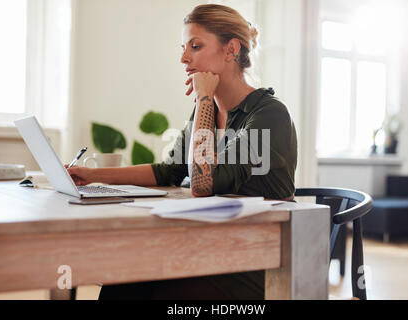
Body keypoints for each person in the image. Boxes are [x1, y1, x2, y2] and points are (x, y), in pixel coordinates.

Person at [68, 4, 298, 300]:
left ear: (231, 50)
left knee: (145, 288)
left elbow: (204, 185)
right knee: (123, 280)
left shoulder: (270, 114)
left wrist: (204, 98)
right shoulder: (208, 110)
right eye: (183, 47)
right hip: (208, 248)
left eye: (196, 46)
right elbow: (171, 170)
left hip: (254, 263)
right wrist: (90, 175)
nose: (183, 58)